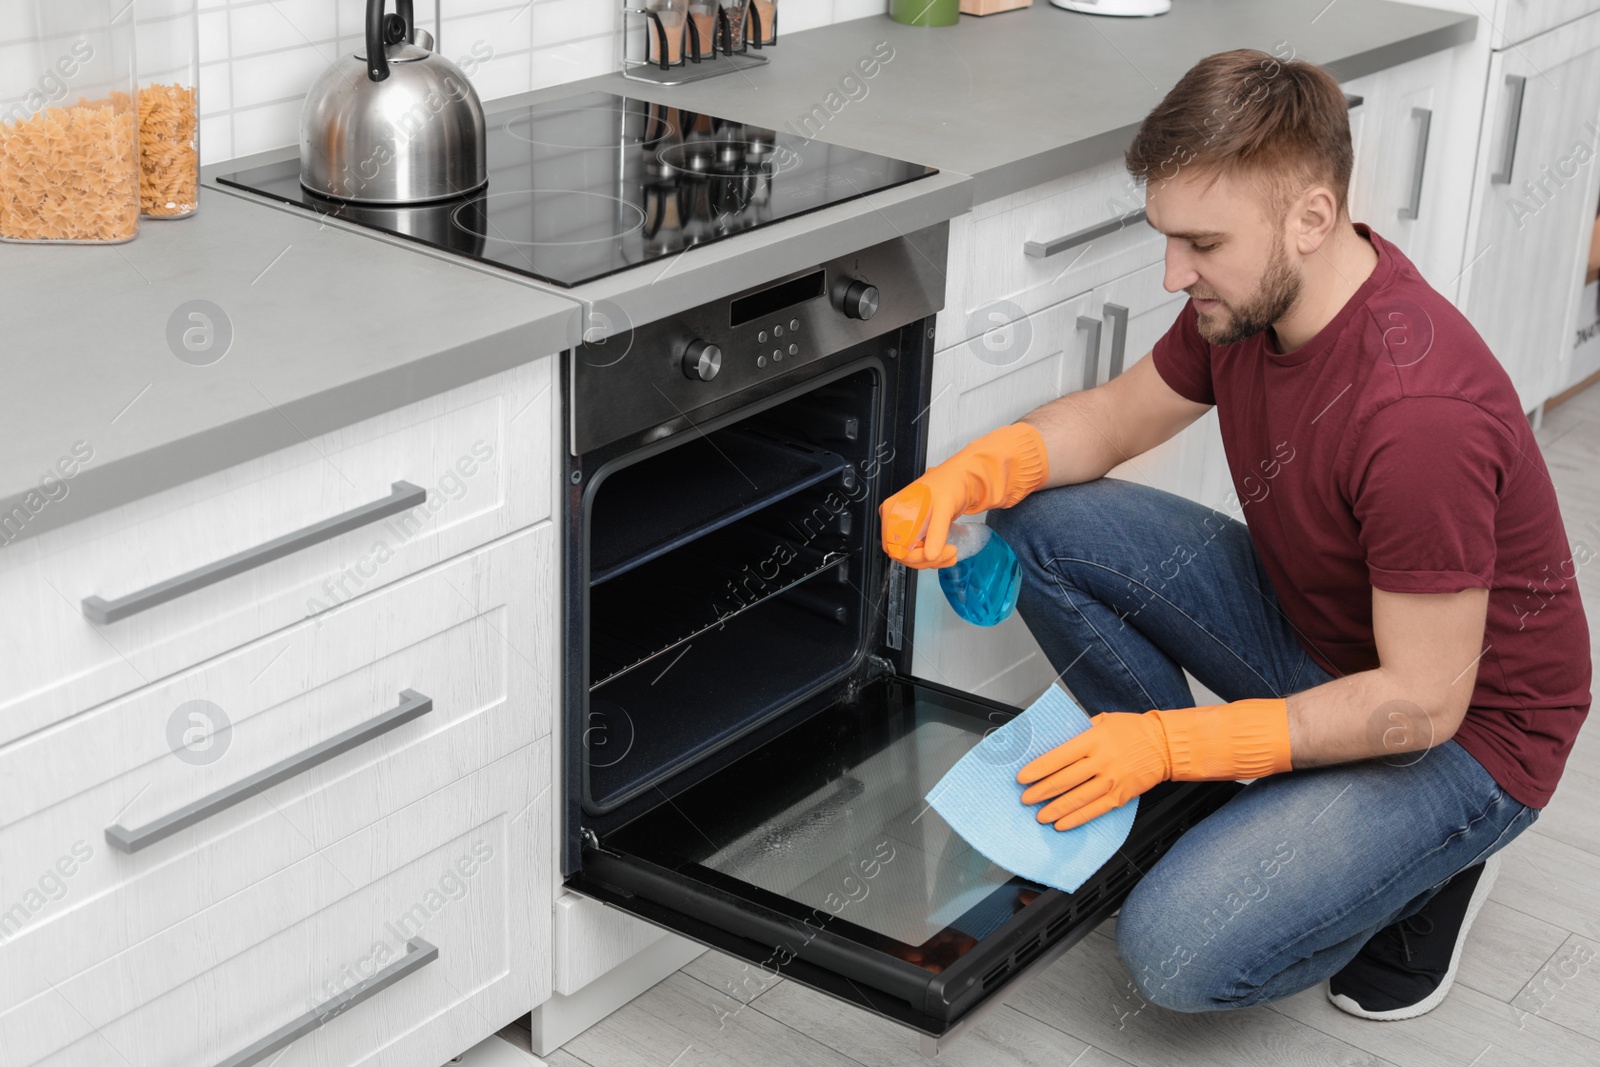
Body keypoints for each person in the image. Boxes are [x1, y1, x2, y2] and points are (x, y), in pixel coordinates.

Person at [880, 48, 1592, 1021]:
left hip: (1460, 729)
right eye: (1167, 237)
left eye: (1201, 243)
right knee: (1038, 515)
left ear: (1309, 216)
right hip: (1325, 634)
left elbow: (1421, 702)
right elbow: (1114, 419)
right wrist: (969, 473)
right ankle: (1206, 809)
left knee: (1175, 953)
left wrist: (1173, 739)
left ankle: (1429, 866)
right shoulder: (1247, 308)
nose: (1174, 273)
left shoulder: (1419, 414)